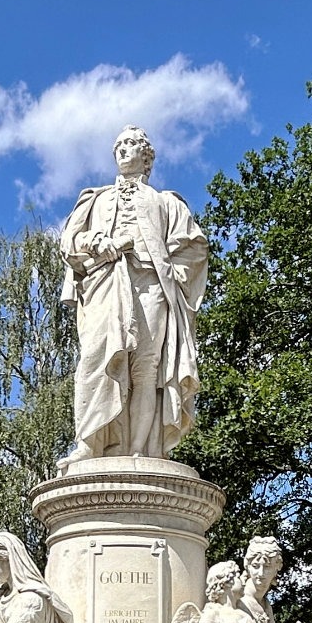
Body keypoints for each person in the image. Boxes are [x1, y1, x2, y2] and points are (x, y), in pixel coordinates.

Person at [57, 126, 209, 466]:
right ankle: (89, 443)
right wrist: (97, 242)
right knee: (95, 358)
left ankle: (144, 450)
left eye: (131, 145)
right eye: (119, 145)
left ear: (146, 156)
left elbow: (194, 248)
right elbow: (70, 240)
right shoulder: (94, 198)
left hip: (151, 286)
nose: (123, 151)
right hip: (105, 282)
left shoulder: (166, 202)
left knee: (146, 368)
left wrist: (166, 268)